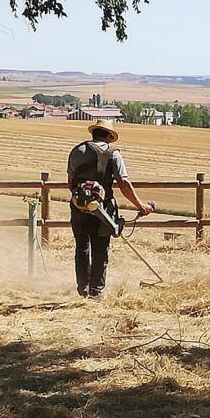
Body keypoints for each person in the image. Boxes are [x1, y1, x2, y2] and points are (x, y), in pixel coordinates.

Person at [67, 120, 154, 298]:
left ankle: (82, 289)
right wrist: (140, 206)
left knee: (81, 248)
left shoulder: (77, 150)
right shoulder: (113, 154)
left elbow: (71, 182)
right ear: (108, 136)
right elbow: (124, 184)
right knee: (100, 249)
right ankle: (96, 292)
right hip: (102, 210)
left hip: (78, 206)